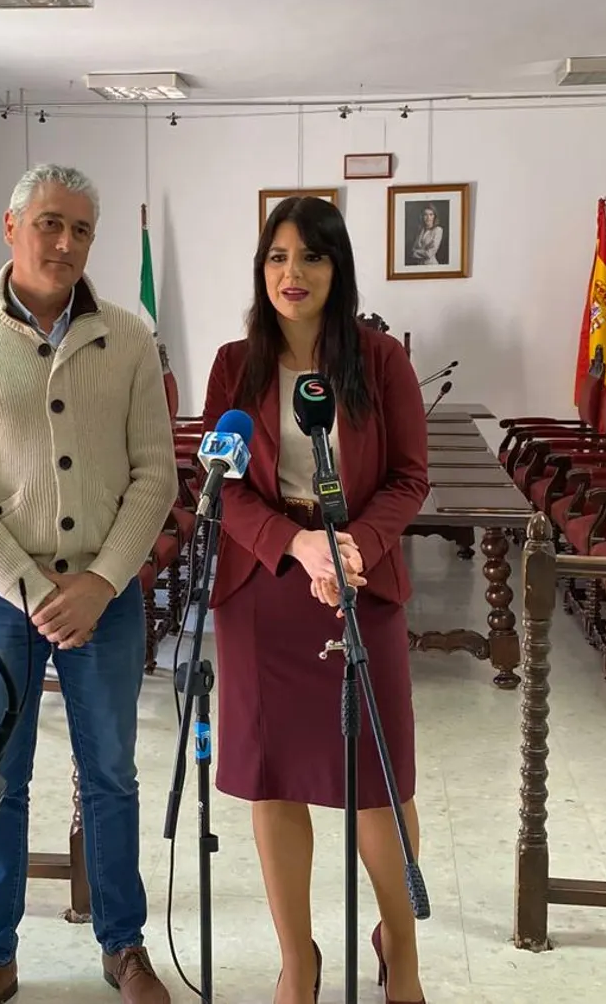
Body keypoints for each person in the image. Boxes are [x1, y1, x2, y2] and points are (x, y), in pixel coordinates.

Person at [0, 163, 178, 1004]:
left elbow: (156, 476)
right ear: (11, 226)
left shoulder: (131, 338)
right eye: (49, 224)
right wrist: (31, 588)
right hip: (1, 597)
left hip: (105, 597)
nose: (65, 243)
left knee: (111, 772)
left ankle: (125, 944)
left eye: (80, 230)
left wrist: (105, 580)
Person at [200, 195, 430, 1004]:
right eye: (276, 257)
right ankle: (297, 957)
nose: (291, 274)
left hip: (360, 583)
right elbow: (219, 487)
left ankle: (399, 945)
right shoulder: (235, 364)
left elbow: (409, 478)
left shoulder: (381, 361)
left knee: (378, 782)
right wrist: (294, 543)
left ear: (339, 268)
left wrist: (353, 544)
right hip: (265, 588)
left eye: (311, 257)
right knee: (274, 780)